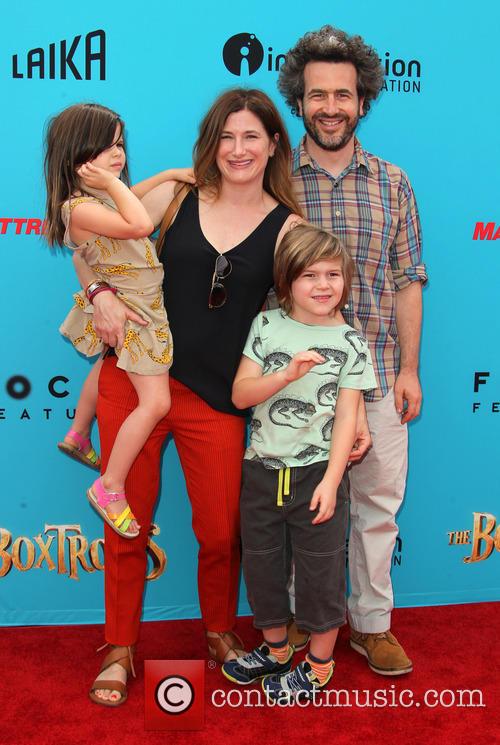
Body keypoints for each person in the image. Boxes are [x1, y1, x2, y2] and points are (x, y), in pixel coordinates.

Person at [71, 89, 302, 705]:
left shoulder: (290, 228)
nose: (238, 149)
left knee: (222, 530)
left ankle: (221, 634)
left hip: (218, 400)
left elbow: (307, 316)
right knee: (126, 522)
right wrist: (99, 294)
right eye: (226, 136)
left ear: (274, 143)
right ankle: (119, 647)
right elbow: (84, 243)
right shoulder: (171, 198)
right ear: (211, 142)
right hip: (138, 381)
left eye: (251, 136)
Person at [278, 26, 427, 675]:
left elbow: (407, 280)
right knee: (296, 515)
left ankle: (372, 624)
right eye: (318, 95)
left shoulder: (394, 183)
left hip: (381, 377)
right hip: (298, 387)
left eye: (343, 93)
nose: (331, 106)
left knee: (376, 510)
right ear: (299, 101)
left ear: (362, 99)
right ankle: (299, 626)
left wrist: (412, 370)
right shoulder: (275, 180)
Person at [221, 223, 376, 701]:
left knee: (320, 573)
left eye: (334, 274)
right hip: (262, 470)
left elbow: (348, 417)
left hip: (316, 476)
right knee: (263, 567)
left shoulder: (352, 341)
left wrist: (332, 481)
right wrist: (285, 374)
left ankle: (319, 664)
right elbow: (241, 393)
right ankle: (276, 650)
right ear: (287, 280)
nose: (324, 285)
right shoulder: (267, 326)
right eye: (310, 275)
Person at [44, 102, 194, 538]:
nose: (119, 156)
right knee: (157, 403)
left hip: (136, 303)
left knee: (103, 366)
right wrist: (114, 181)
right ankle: (110, 486)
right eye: (107, 148)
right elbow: (140, 221)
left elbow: (135, 197)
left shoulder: (97, 199)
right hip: (139, 313)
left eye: (121, 145)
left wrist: (167, 176)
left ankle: (78, 433)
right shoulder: (78, 208)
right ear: (77, 154)